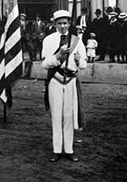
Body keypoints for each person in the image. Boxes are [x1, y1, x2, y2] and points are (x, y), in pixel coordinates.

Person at [42, 10, 87, 163]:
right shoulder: (48, 40)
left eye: (65, 23)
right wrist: (58, 56)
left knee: (69, 115)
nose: (63, 26)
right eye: (59, 23)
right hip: (55, 79)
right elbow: (45, 64)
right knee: (56, 115)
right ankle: (56, 150)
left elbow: (84, 65)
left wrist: (79, 59)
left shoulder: (77, 40)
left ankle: (69, 149)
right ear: (54, 24)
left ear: (69, 24)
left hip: (71, 80)